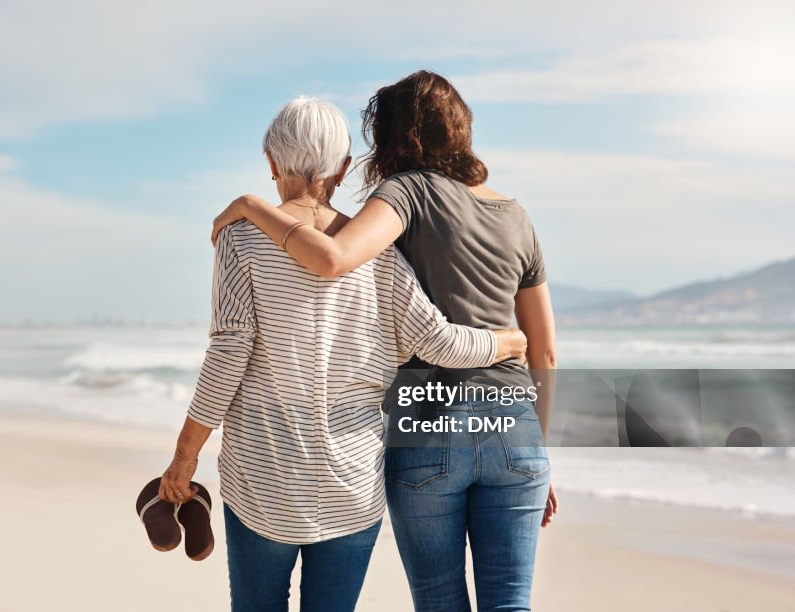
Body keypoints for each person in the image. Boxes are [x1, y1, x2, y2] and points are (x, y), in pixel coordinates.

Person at [161, 96, 528, 612]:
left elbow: (229, 355)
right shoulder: (374, 249)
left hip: (263, 479)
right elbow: (440, 341)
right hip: (351, 485)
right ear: (343, 167)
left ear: (271, 162)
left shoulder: (241, 237)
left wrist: (184, 456)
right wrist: (508, 341)